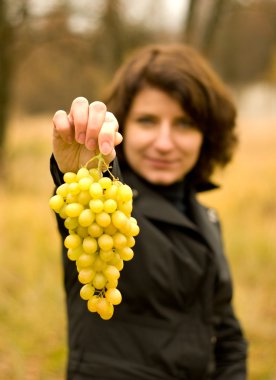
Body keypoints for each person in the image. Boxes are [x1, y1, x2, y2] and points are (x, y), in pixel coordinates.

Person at [50, 43, 248, 380]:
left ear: (207, 134)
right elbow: (83, 223)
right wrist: (85, 172)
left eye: (184, 124)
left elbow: (227, 336)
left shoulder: (206, 217)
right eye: (147, 121)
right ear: (122, 126)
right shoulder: (111, 213)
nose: (165, 142)